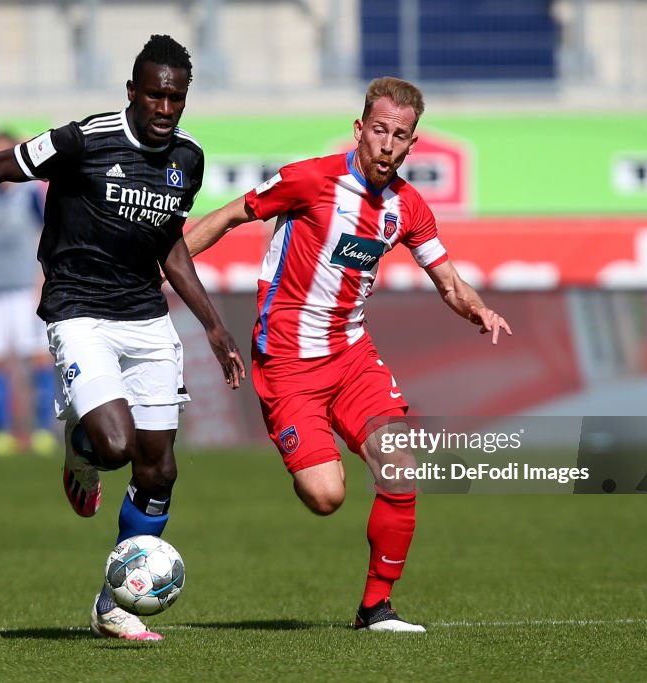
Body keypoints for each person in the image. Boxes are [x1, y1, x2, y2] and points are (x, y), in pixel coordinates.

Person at [0, 34, 245, 641]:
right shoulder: (84, 140)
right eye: (154, 94)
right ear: (132, 91)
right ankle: (82, 447)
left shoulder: (188, 159)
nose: (165, 108)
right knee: (118, 444)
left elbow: (170, 242)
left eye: (175, 98)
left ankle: (112, 603)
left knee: (159, 471)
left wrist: (211, 322)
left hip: (147, 318)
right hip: (79, 312)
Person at [185, 76, 512, 633]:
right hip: (287, 364)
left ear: (412, 145)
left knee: (400, 467)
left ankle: (375, 609)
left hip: (352, 358)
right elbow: (229, 216)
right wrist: (161, 268)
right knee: (326, 495)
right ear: (360, 129)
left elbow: (451, 283)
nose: (388, 144)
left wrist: (479, 310)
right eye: (380, 130)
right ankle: (305, 450)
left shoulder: (408, 207)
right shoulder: (310, 180)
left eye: (401, 136)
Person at [0, 130, 57, 457]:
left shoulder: (31, 194)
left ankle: (41, 432)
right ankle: (2, 433)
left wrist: (42, 282)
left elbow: (47, 235)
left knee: (38, 360)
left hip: (24, 289)